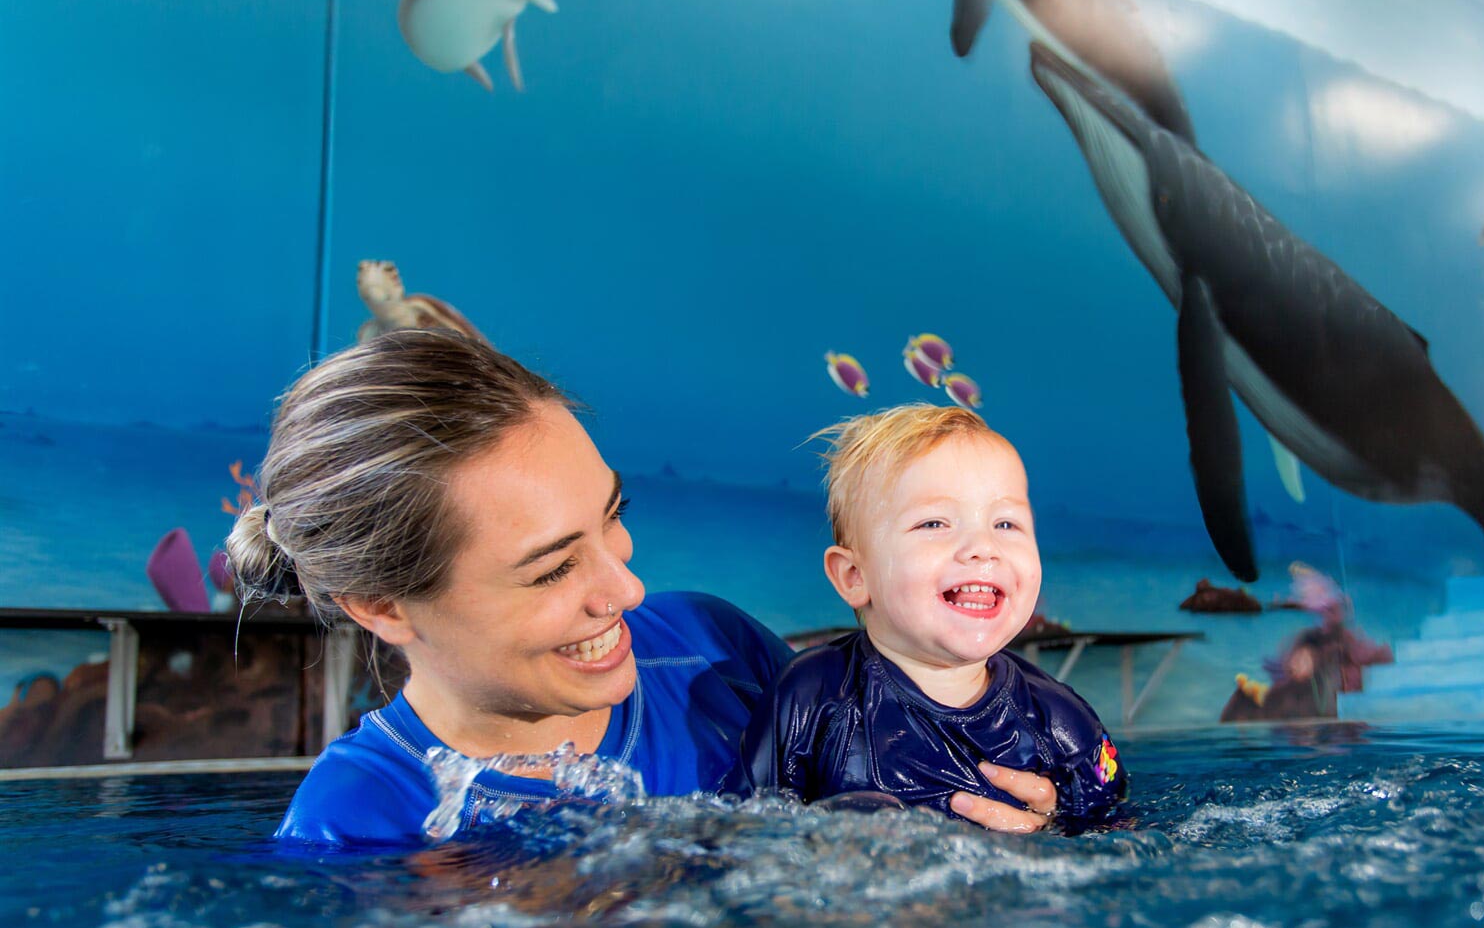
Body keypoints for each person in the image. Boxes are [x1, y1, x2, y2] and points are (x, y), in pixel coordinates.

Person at [233, 331, 1057, 848]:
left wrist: (1028, 823)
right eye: (554, 567)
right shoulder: (361, 822)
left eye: (613, 515)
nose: (626, 588)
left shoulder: (714, 648)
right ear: (381, 606)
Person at [722, 405, 1127, 829]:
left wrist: (1056, 826)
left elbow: (1120, 833)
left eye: (1005, 524)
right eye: (935, 523)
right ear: (855, 576)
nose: (981, 547)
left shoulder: (1058, 720)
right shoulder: (813, 696)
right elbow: (742, 832)